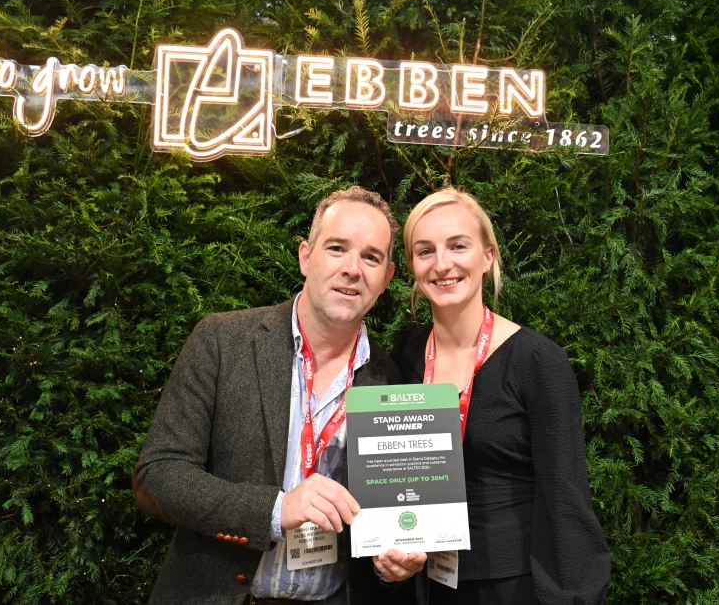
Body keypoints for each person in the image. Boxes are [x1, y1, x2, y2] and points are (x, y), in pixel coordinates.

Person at [133, 187, 426, 605]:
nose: (352, 269)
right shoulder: (223, 340)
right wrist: (274, 509)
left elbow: (383, 527)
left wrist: (390, 567)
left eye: (371, 257)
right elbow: (159, 474)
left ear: (387, 277)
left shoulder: (389, 381)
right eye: (337, 248)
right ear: (306, 256)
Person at [391, 188, 611, 605]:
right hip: (430, 582)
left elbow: (566, 498)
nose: (442, 263)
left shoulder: (537, 361)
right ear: (412, 266)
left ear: (488, 256)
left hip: (514, 584)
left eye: (458, 246)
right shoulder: (408, 352)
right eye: (425, 251)